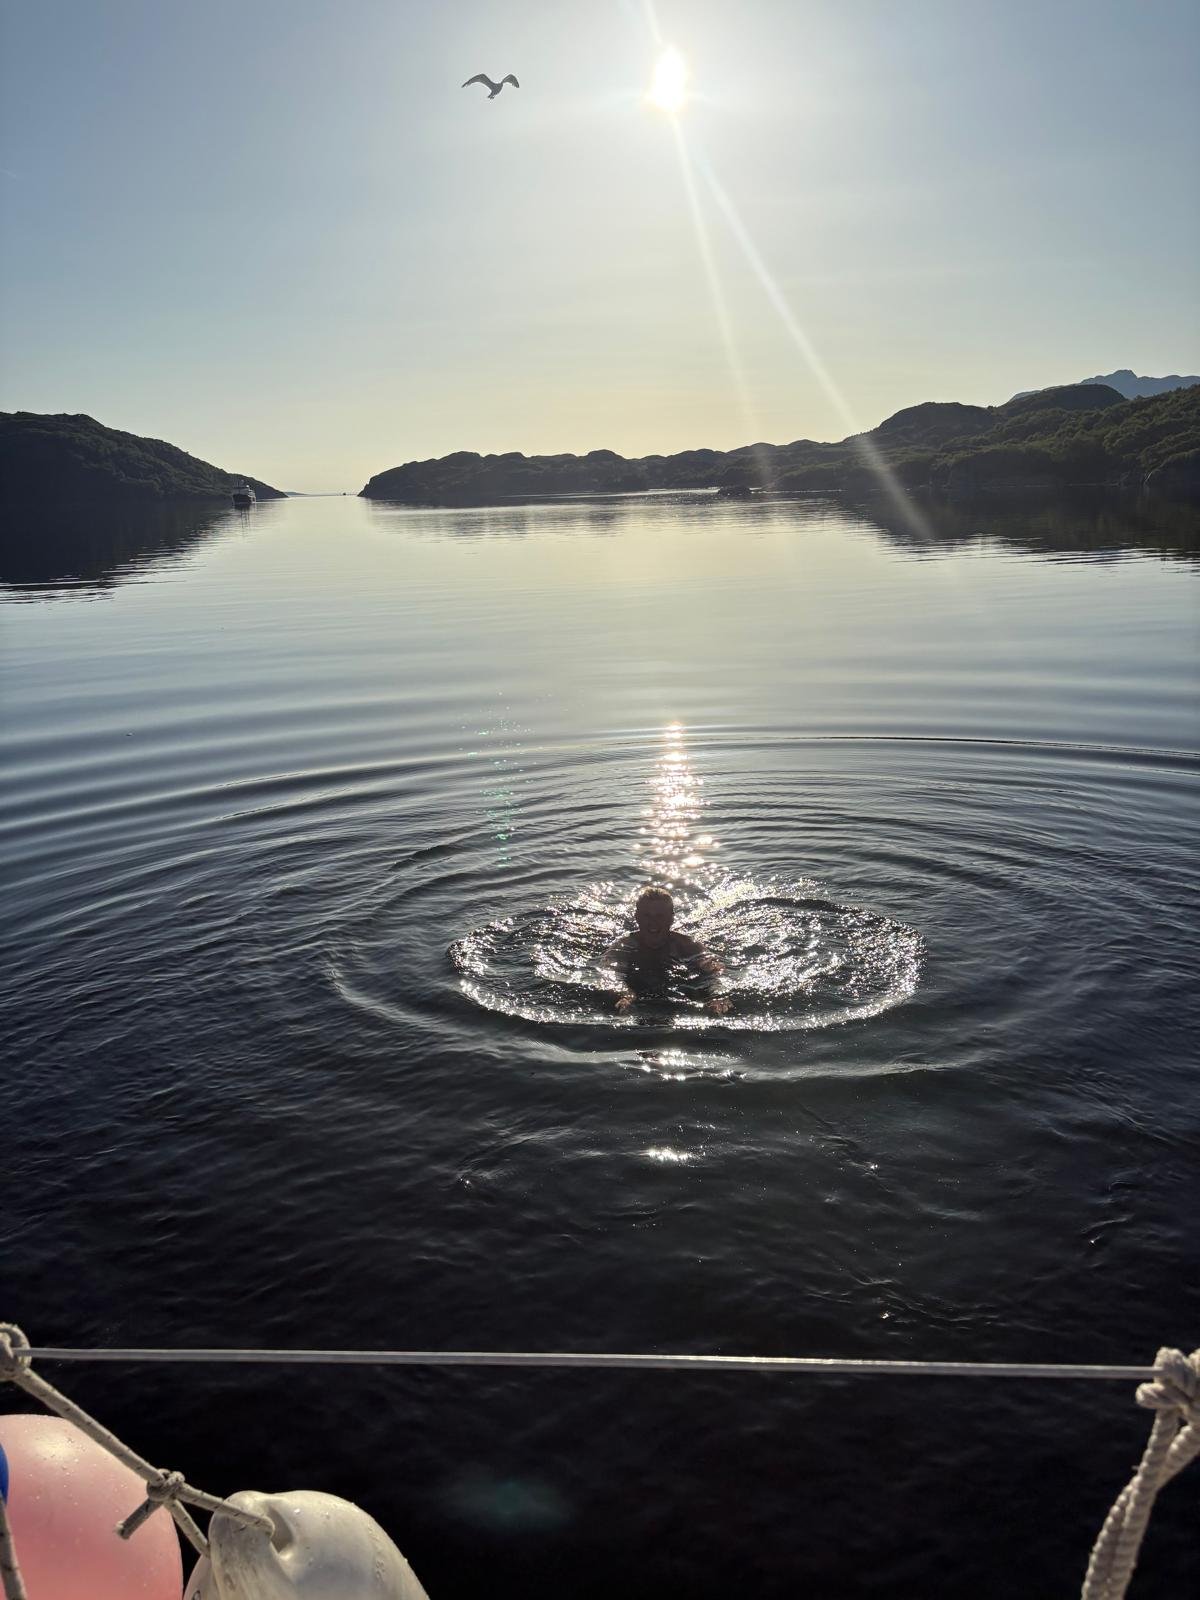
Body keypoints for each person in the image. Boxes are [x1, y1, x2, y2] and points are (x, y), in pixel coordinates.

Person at [606, 886, 730, 1014]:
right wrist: (625, 996)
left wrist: (716, 996)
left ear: (671, 918)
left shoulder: (689, 946)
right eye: (647, 915)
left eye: (660, 916)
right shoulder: (622, 947)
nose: (653, 922)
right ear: (637, 917)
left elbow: (714, 971)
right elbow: (610, 975)